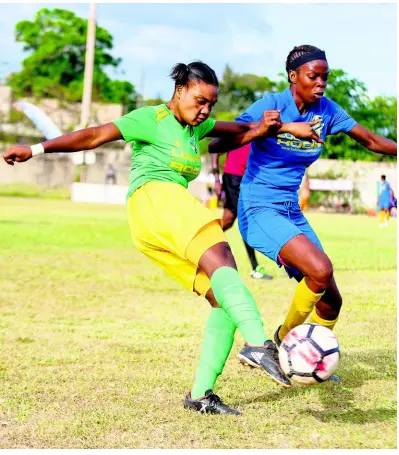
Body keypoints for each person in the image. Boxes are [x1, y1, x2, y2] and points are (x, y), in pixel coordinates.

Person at [3, 61, 321, 415]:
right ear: (180, 90)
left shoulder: (194, 129)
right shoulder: (150, 118)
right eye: (200, 101)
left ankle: (201, 394)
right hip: (156, 199)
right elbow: (93, 135)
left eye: (211, 105)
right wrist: (35, 149)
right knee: (224, 259)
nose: (205, 111)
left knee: (224, 299)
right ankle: (260, 344)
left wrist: (285, 127)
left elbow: (243, 129)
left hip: (155, 219)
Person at [209, 45, 397, 370]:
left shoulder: (327, 111)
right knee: (320, 269)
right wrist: (272, 128)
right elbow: (217, 142)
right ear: (294, 77)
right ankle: (282, 346)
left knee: (331, 301)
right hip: (259, 208)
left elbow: (370, 141)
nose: (321, 83)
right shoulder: (272, 105)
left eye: (325, 77)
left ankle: (296, 350)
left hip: (290, 210)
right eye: (314, 76)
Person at [212, 144, 273, 279]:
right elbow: (215, 150)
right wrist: (216, 179)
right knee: (247, 221)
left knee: (227, 220)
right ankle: (255, 267)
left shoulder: (262, 131)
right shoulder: (237, 129)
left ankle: (200, 241)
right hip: (233, 179)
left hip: (249, 179)